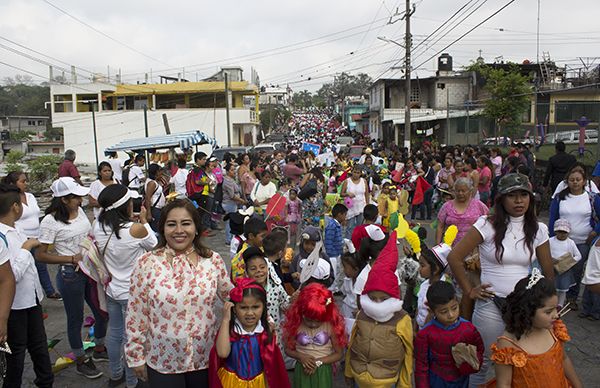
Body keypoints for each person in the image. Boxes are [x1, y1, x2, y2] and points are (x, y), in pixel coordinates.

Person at [447, 173, 554, 387]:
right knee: (482, 361)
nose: (518, 201)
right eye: (512, 195)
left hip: (524, 306)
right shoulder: (486, 225)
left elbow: (548, 271)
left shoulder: (538, 229)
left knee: (521, 358)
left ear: (530, 198)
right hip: (490, 305)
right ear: (501, 199)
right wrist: (470, 290)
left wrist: (550, 306)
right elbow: (454, 257)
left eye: (523, 195)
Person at [125, 199, 232, 387]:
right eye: (171, 224)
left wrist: (263, 317)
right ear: (163, 229)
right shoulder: (147, 263)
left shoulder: (212, 260)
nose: (179, 230)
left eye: (186, 223)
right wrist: (136, 355)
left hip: (204, 357)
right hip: (163, 360)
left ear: (197, 228)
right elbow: (136, 312)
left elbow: (232, 296)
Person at [36, 177, 107, 378]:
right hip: (70, 275)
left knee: (101, 311)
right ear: (65, 199)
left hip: (90, 269)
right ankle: (81, 360)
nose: (81, 200)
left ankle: (100, 349)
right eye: (76, 197)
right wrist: (70, 258)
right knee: (75, 319)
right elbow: (41, 255)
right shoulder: (50, 221)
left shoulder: (81, 212)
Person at [94, 185, 158, 388]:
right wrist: (145, 221)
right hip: (133, 293)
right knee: (132, 338)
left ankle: (115, 374)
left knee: (115, 334)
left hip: (112, 289)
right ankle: (132, 382)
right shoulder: (135, 229)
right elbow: (154, 244)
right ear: (125, 205)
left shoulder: (98, 226)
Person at [0, 183, 54, 388]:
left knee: (39, 346)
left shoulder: (17, 229)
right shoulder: (3, 237)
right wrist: (26, 248)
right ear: (15, 207)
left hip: (31, 300)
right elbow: (9, 276)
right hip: (14, 307)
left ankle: (45, 381)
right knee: (15, 356)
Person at [490, 270, 582, 388]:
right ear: (527, 311)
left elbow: (563, 359)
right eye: (548, 311)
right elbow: (504, 384)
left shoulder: (553, 329)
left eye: (556, 308)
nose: (556, 315)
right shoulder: (508, 344)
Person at [345, 231, 413, 388]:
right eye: (373, 298)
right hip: (359, 377)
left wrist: (404, 383)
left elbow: (408, 353)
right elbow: (352, 344)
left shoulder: (402, 320)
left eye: (383, 299)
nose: (377, 303)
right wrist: (349, 372)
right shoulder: (363, 314)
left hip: (386, 381)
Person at [210, 278, 290, 388]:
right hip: (231, 383)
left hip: (258, 383)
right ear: (234, 309)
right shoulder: (231, 331)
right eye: (243, 307)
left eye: (255, 307)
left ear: (263, 307)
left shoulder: (265, 333)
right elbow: (222, 353)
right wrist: (225, 320)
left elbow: (271, 367)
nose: (250, 313)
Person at [548, 164, 600, 315]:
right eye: (572, 180)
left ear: (584, 181)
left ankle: (572, 297)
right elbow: (553, 218)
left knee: (577, 269)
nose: (575, 182)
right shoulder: (560, 198)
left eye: (578, 180)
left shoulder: (592, 198)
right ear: (567, 181)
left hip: (584, 240)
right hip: (562, 240)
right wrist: (552, 238)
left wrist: (595, 231)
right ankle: (558, 296)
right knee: (561, 268)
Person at [415, 281, 484, 388]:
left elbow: (479, 351)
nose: (451, 315)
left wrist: (469, 363)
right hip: (436, 380)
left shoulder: (468, 329)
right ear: (432, 310)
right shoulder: (425, 334)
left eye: (454, 308)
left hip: (461, 380)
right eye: (443, 311)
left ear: (458, 302)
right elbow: (421, 366)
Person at [3, 172, 60, 300]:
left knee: (40, 266)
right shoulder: (10, 201)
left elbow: (37, 214)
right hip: (22, 238)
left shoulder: (30, 196)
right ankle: (31, 296)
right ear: (13, 184)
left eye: (26, 181)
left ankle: (47, 291)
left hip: (36, 236)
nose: (26, 184)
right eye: (22, 181)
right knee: (25, 267)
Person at [283, 282, 346, 387]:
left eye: (318, 321)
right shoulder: (296, 325)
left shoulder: (330, 326)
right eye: (308, 320)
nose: (313, 324)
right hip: (302, 368)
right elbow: (287, 349)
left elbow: (339, 354)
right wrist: (301, 356)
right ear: (301, 312)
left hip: (322, 369)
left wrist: (318, 362)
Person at [416, 246, 451, 330]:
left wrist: (422, 334)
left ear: (435, 269)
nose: (419, 269)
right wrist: (414, 328)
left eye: (422, 265)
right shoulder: (424, 284)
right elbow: (418, 308)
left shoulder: (442, 290)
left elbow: (431, 316)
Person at [549, 219, 582, 308]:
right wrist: (550, 259)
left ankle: (560, 304)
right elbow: (546, 252)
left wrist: (569, 262)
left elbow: (578, 256)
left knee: (563, 288)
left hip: (565, 269)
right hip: (553, 269)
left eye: (565, 232)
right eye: (560, 232)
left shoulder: (570, 242)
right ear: (555, 231)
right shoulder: (550, 241)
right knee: (553, 287)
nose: (562, 234)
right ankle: (552, 303)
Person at [230, 217, 268, 281]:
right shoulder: (240, 257)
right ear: (251, 236)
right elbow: (238, 281)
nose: (266, 238)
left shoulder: (262, 247)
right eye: (262, 236)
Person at [341, 166, 370, 238]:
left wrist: (367, 205)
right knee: (350, 227)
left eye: (358, 173)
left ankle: (358, 242)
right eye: (354, 172)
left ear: (360, 174)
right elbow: (341, 194)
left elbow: (366, 194)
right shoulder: (347, 181)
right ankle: (348, 243)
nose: (356, 174)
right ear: (352, 172)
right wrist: (347, 194)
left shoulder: (364, 181)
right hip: (350, 207)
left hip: (361, 207)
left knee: (360, 226)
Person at [324, 203, 347, 292]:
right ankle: (331, 290)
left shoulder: (336, 225)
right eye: (344, 215)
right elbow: (328, 241)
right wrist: (330, 253)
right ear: (339, 214)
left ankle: (335, 288)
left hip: (337, 253)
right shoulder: (332, 226)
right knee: (333, 272)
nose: (345, 217)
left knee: (337, 271)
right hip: (332, 255)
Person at [222, 162, 245, 244]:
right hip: (229, 203)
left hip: (233, 203)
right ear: (228, 171)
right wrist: (242, 201)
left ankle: (230, 238)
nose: (234, 172)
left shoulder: (231, 179)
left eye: (234, 170)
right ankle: (229, 239)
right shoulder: (227, 181)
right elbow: (232, 195)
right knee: (229, 222)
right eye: (232, 170)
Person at [340, 252, 366, 319]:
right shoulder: (347, 280)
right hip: (346, 310)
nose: (343, 270)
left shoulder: (364, 282)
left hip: (358, 311)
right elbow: (344, 293)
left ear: (356, 270)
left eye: (345, 267)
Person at [144, 163, 166, 232]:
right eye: (160, 171)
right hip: (155, 209)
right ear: (156, 172)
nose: (161, 173)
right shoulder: (152, 183)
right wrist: (149, 213)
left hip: (157, 209)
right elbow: (148, 198)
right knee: (157, 229)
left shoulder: (154, 182)